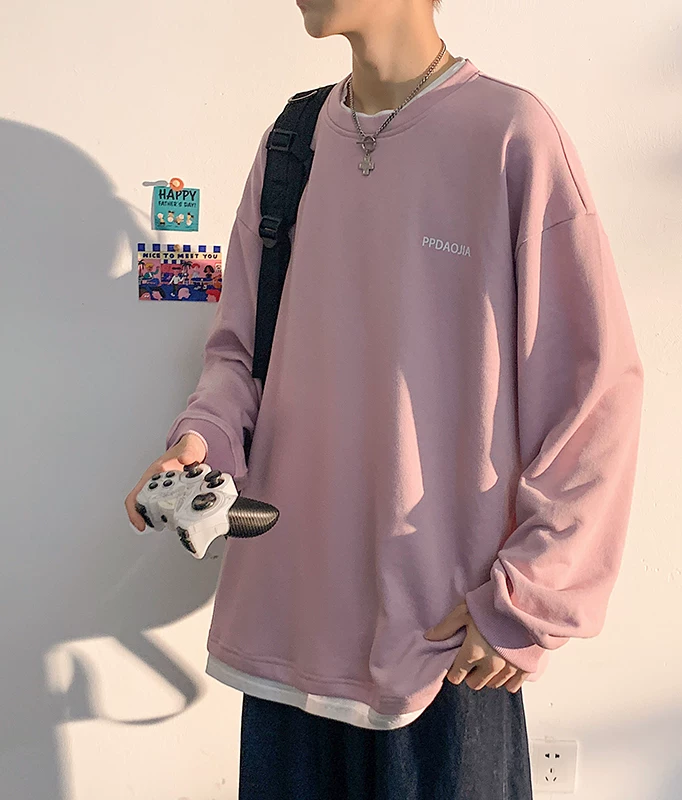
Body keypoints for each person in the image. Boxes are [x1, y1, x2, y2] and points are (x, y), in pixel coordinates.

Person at [125, 0, 645, 796]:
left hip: (443, 646)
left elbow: (595, 394)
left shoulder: (511, 135)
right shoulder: (292, 143)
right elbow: (239, 354)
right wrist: (201, 440)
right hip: (288, 636)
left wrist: (529, 598)